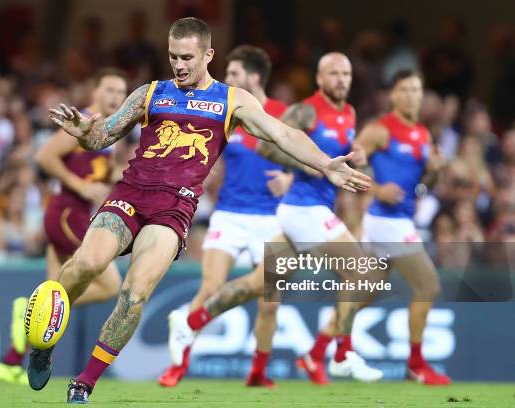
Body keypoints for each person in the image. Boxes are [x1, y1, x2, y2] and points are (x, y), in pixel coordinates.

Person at [42, 17, 370, 403]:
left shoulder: (231, 100)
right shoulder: (151, 93)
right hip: (130, 195)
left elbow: (283, 135)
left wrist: (325, 163)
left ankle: (85, 382)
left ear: (208, 54)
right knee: (86, 265)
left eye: (186, 57)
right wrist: (85, 133)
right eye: (172, 56)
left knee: (134, 292)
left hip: (174, 208)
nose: (178, 65)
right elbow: (103, 135)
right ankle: (43, 339)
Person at [169, 53, 383, 386]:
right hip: (302, 208)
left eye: (346, 73)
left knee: (258, 287)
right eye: (334, 73)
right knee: (362, 272)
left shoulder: (349, 114)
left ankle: (192, 320)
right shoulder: (305, 110)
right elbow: (269, 150)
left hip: (303, 210)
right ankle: (340, 353)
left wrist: (358, 155)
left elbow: (338, 153)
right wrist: (304, 168)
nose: (342, 79)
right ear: (319, 78)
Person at [158, 45, 290, 388]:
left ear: (254, 77)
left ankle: (258, 371)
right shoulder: (226, 110)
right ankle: (177, 367)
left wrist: (290, 178)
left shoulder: (282, 114)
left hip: (271, 219)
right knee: (210, 286)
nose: (226, 79)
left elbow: (301, 153)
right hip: (229, 214)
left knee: (270, 301)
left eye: (233, 74)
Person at [313, 70, 451, 385]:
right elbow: (348, 161)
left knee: (364, 295)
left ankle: (315, 351)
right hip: (386, 222)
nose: (412, 96)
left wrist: (436, 173)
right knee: (428, 286)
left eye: (417, 89)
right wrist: (376, 189)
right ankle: (416, 365)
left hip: (397, 220)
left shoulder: (422, 133)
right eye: (405, 90)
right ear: (394, 95)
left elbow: (422, 186)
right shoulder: (381, 129)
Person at [0, 68, 127, 384]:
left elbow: (96, 171)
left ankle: (11, 361)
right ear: (95, 90)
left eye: (121, 92)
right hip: (68, 213)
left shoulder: (108, 131)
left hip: (72, 215)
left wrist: (114, 176)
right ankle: (32, 308)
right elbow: (45, 156)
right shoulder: (84, 120)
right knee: (109, 285)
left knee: (56, 286)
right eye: (110, 89)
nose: (116, 97)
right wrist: (79, 186)